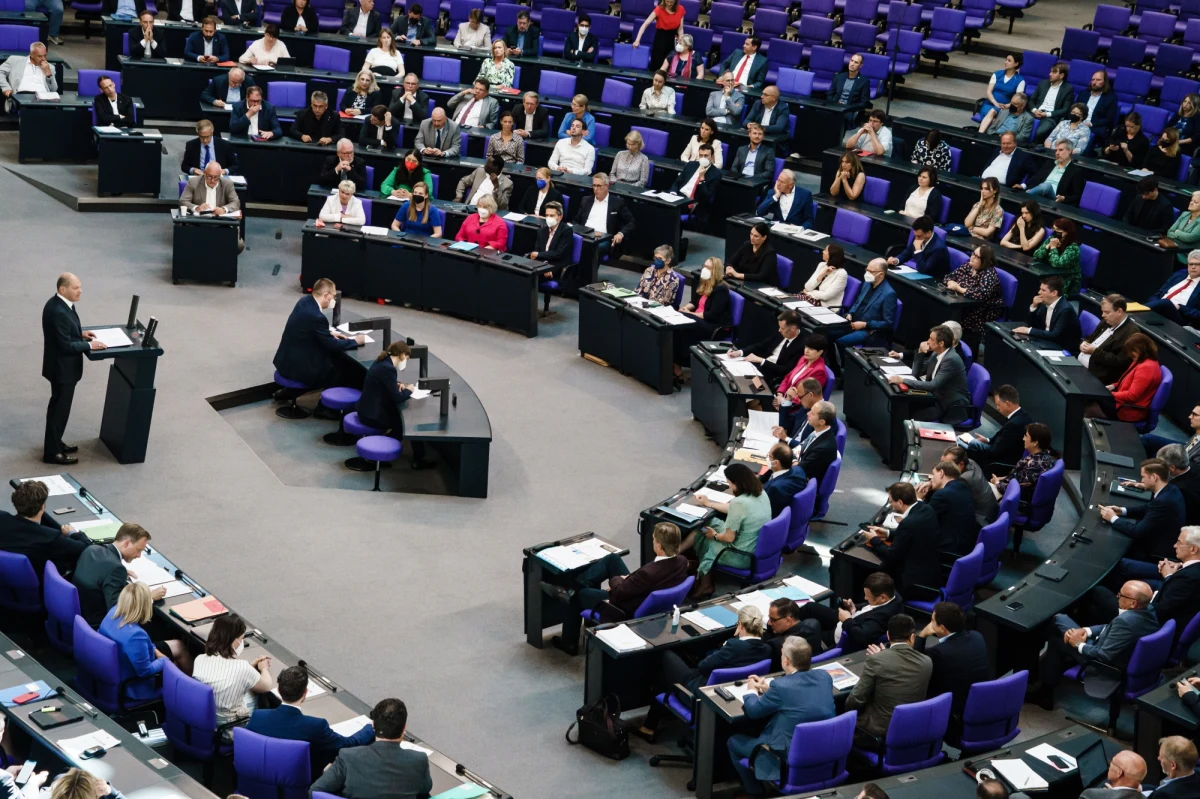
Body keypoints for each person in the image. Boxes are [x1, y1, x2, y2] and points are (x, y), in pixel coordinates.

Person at [551, 522, 689, 654]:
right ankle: (575, 586)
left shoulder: (648, 574)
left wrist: (617, 580)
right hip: (637, 591)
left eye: (653, 539)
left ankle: (569, 643)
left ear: (659, 545)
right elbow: (642, 581)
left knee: (578, 595)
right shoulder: (682, 561)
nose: (652, 541)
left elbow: (618, 593)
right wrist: (628, 580)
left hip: (622, 607)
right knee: (612, 559)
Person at [638, 605, 773, 739]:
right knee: (679, 662)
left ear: (741, 625)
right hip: (727, 696)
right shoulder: (767, 649)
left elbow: (702, 666)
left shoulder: (734, 646)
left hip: (697, 694)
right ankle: (651, 724)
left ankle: (650, 725)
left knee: (666, 656)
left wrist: (726, 645)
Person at [726, 637, 835, 796]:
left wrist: (751, 690)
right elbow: (800, 693)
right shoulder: (824, 677)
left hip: (784, 757)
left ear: (787, 661)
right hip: (823, 751)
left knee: (733, 742)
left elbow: (754, 711)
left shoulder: (781, 686)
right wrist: (770, 689)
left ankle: (756, 793)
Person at [1030, 581, 1157, 709]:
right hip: (1115, 650)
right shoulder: (1149, 610)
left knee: (1057, 637)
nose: (1117, 597)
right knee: (1061, 623)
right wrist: (1086, 630)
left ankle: (1042, 690)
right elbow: (1109, 627)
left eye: (1121, 596)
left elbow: (1103, 655)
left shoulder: (1125, 622)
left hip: (1103, 665)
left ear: (1133, 603)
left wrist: (1078, 644)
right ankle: (1045, 676)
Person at [248, 665, 375, 774]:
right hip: (302, 787)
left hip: (255, 781)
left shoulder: (258, 716)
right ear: (305, 693)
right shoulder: (315, 726)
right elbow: (347, 745)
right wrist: (371, 727)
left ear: (279, 691)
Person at [311, 698, 432, 799]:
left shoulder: (348, 756)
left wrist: (327, 773)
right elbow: (425, 789)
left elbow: (315, 792)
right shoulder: (419, 760)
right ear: (404, 727)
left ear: (373, 725)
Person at [683, 462, 772, 597]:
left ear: (738, 483)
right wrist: (709, 504)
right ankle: (681, 555)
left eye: (730, 483)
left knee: (706, 538)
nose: (729, 487)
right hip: (755, 547)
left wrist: (714, 536)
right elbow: (734, 510)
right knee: (707, 524)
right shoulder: (761, 492)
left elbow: (729, 538)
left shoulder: (739, 502)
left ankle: (705, 584)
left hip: (740, 554)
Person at [42, 273, 104, 465]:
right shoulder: (58, 311)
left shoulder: (61, 305)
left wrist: (80, 334)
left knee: (59, 409)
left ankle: (55, 442)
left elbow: (65, 333)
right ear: (63, 289)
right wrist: (89, 346)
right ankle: (52, 453)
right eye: (76, 288)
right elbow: (65, 345)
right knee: (59, 410)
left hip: (61, 368)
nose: (80, 291)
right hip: (62, 370)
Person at [845, 614, 932, 746]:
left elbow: (855, 700)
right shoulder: (927, 662)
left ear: (888, 635)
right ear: (912, 637)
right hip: (914, 728)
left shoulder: (876, 661)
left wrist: (881, 657)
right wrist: (883, 656)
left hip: (880, 732)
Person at [100, 582, 190, 703]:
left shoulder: (114, 611)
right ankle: (190, 694)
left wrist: (156, 651)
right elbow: (145, 672)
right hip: (134, 685)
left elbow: (145, 646)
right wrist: (164, 660)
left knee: (178, 645)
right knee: (175, 665)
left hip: (117, 665)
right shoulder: (136, 636)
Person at [272, 278, 363, 397]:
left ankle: (288, 393)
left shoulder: (304, 301)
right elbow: (332, 345)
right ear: (326, 295)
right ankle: (324, 408)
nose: (334, 299)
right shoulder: (317, 317)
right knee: (342, 368)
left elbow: (305, 329)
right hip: (300, 367)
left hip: (286, 361)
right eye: (334, 296)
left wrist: (328, 333)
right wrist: (355, 341)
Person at [355, 342, 431, 470]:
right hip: (372, 415)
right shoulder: (388, 369)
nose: (406, 361)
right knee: (406, 425)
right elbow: (397, 398)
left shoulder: (382, 361)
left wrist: (397, 384)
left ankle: (419, 458)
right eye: (406, 358)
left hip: (365, 408)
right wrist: (409, 390)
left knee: (401, 421)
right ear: (401, 355)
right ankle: (379, 453)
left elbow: (384, 381)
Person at [191, 614, 277, 724]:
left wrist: (250, 667)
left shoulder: (199, 659)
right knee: (255, 693)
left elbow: (223, 675)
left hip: (205, 720)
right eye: (241, 639)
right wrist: (264, 669)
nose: (242, 642)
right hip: (231, 728)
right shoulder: (242, 667)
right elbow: (266, 686)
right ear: (234, 641)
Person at [71, 522, 162, 624]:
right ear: (127, 543)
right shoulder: (116, 569)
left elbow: (97, 571)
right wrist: (149, 597)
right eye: (138, 550)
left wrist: (120, 573)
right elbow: (117, 610)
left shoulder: (92, 549)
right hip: (98, 624)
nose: (139, 555)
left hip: (81, 615)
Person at [793, 571, 903, 654]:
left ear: (883, 598)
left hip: (839, 633)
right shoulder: (893, 595)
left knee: (808, 630)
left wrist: (847, 620)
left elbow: (861, 636)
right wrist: (855, 608)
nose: (865, 598)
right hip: (850, 618)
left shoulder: (880, 618)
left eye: (868, 596)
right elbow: (870, 607)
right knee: (810, 607)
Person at [915, 601, 992, 718]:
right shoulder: (977, 636)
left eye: (932, 621)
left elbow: (917, 665)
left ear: (942, 628)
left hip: (954, 709)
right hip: (982, 699)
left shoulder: (939, 652)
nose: (930, 624)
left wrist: (922, 635)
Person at [862, 482, 942, 595]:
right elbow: (911, 534)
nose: (890, 505)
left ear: (900, 502)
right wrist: (888, 533)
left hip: (915, 583)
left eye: (891, 501)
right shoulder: (927, 509)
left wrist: (874, 539)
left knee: (876, 573)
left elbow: (891, 555)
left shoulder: (908, 523)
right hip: (932, 572)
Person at [1102, 457, 1185, 565]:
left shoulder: (1163, 501)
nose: (1141, 481)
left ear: (1154, 477)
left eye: (1143, 477)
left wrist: (1113, 518)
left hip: (1158, 552)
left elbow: (1138, 532)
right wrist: (1122, 511)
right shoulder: (1171, 489)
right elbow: (1148, 507)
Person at [0, 480, 89, 577]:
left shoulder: (2, 519)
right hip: (41, 586)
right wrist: (72, 533)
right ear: (43, 506)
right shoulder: (51, 537)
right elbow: (85, 548)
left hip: (6, 581)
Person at [886, 325, 971, 424]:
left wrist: (903, 380)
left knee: (908, 413)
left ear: (941, 343)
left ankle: (901, 438)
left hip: (949, 407)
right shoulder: (936, 353)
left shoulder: (951, 359)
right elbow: (916, 373)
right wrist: (920, 352)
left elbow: (933, 385)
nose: (927, 342)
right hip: (935, 397)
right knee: (904, 405)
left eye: (931, 339)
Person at [831, 259, 897, 380]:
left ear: (881, 274)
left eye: (871, 271)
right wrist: (850, 313)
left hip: (869, 330)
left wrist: (865, 324)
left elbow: (888, 323)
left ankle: (845, 374)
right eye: (867, 269)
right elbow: (857, 303)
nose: (867, 273)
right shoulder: (867, 284)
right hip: (852, 322)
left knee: (841, 341)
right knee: (827, 333)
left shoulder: (889, 294)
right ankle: (834, 369)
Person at [674, 258, 733, 381]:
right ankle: (675, 362)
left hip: (711, 325)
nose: (705, 269)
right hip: (699, 320)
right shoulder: (704, 283)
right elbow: (694, 302)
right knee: (678, 322)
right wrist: (686, 308)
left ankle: (678, 363)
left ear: (715, 271)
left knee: (683, 323)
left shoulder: (721, 289)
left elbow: (711, 315)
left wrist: (691, 314)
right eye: (704, 266)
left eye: (709, 267)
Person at [943, 245, 1004, 351]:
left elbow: (980, 294)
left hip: (981, 313)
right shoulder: (969, 266)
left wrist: (958, 288)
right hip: (963, 304)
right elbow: (948, 276)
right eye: (973, 254)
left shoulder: (989, 276)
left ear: (984, 261)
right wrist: (950, 282)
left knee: (952, 315)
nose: (972, 257)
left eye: (976, 256)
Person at [727, 309, 805, 389]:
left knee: (745, 388)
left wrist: (761, 360)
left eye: (782, 328)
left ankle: (753, 399)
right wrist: (740, 352)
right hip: (760, 366)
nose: (779, 330)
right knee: (730, 376)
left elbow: (785, 370)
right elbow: (762, 345)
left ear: (793, 328)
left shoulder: (801, 345)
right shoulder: (781, 333)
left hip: (772, 374)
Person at [920, 461, 981, 554]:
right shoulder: (962, 485)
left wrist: (918, 498)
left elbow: (922, 519)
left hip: (950, 550)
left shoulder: (942, 495)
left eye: (933, 475)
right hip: (966, 543)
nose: (931, 479)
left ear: (941, 473)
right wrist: (931, 486)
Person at [989, 423, 1058, 501]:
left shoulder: (1035, 466)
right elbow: (1017, 477)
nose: (1023, 439)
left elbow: (1016, 490)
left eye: (1026, 436)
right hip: (1008, 489)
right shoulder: (1043, 455)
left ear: (1035, 442)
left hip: (1011, 499)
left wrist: (997, 483)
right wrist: (1002, 479)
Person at [574, 173, 634, 258]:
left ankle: (586, 271)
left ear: (606, 186)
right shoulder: (586, 200)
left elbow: (631, 222)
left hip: (603, 239)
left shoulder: (617, 202)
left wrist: (620, 234)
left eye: (599, 186)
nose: (595, 189)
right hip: (584, 235)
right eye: (594, 185)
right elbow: (576, 220)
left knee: (591, 249)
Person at [1080, 294, 1136, 384]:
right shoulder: (1106, 321)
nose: (1103, 315)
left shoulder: (1131, 333)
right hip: (1082, 365)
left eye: (1107, 312)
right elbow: (1091, 337)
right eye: (1102, 312)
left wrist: (1095, 352)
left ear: (1119, 311)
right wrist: (1084, 343)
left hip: (1098, 377)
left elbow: (1120, 362)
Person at [941, 445, 998, 524]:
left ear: (960, 464)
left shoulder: (964, 479)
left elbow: (945, 494)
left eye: (947, 465)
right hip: (989, 511)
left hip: (981, 520)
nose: (942, 468)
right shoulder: (970, 462)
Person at [1020, 139, 1086, 204]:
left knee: (1047, 186)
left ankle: (1025, 196)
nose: (1057, 153)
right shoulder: (1049, 164)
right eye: (1056, 150)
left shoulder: (1076, 171)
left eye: (1060, 150)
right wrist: (1024, 186)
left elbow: (1077, 196)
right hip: (1040, 194)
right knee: (1044, 186)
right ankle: (1028, 195)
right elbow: (1036, 179)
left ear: (1069, 151)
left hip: (1054, 199)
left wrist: (1064, 198)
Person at [632, 0, 686, 79]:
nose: (669, 4)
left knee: (669, 66)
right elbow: (645, 24)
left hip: (672, 40)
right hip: (660, 39)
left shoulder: (680, 9)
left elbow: (680, 29)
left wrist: (681, 42)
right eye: (667, 1)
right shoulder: (659, 9)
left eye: (672, 2)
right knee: (657, 65)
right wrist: (637, 40)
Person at [671, 142, 722, 225]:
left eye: (706, 156)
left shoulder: (716, 174)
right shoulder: (691, 165)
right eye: (701, 155)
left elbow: (706, 196)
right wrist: (672, 192)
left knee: (672, 212)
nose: (703, 158)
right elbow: (677, 182)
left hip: (693, 202)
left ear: (712, 157)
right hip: (678, 197)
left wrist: (702, 179)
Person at [888, 215, 950, 279]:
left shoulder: (939, 249)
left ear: (928, 233)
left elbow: (924, 269)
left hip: (934, 280)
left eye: (919, 236)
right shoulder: (918, 236)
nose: (916, 238)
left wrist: (918, 250)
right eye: (915, 235)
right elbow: (907, 252)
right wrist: (896, 260)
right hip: (922, 274)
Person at [1148, 250, 1200, 326]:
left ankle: (1137, 310)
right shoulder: (1179, 274)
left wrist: (1180, 307)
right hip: (1159, 308)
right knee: (1163, 302)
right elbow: (1158, 293)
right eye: (1191, 264)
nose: (1193, 267)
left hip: (1180, 317)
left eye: (1197, 264)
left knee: (1166, 302)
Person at [771, 377, 824, 445]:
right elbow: (786, 422)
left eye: (800, 397)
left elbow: (809, 448)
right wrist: (788, 399)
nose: (798, 400)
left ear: (811, 395)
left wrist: (786, 438)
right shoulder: (806, 408)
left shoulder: (823, 418)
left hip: (796, 452)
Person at [978, 53, 1026, 127]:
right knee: (991, 114)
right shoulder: (997, 74)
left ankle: (980, 133)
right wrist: (995, 103)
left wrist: (1008, 105)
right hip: (990, 104)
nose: (1006, 62)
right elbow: (988, 92)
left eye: (1009, 61)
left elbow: (1018, 99)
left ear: (1016, 63)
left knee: (993, 114)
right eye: (1006, 60)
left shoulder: (1020, 80)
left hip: (1004, 108)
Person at [762, 443, 807, 517]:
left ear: (776, 463)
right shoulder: (798, 469)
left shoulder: (775, 488)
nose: (767, 458)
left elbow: (769, 513)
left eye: (769, 456)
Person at [1078, 70, 1119, 150]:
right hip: (1078, 122)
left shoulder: (1111, 98)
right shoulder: (1083, 93)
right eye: (1093, 80)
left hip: (1095, 126)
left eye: (1098, 80)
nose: (1094, 82)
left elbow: (1109, 119)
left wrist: (1091, 124)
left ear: (1104, 82)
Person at [763, 599, 808, 669]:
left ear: (788, 621)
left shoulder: (776, 645)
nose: (769, 623)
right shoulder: (813, 627)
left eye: (773, 620)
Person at [527, 201, 572, 270]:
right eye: (547, 215)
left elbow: (559, 254)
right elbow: (537, 250)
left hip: (556, 266)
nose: (548, 218)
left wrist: (539, 255)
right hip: (541, 265)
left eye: (552, 215)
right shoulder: (542, 231)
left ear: (560, 217)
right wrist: (542, 265)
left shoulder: (566, 231)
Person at [831, 52, 871, 127]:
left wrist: (847, 107)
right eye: (851, 61)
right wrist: (834, 103)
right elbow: (830, 94)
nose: (852, 64)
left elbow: (864, 102)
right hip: (835, 105)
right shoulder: (839, 77)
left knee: (841, 122)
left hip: (849, 109)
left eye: (856, 62)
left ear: (860, 65)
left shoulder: (864, 81)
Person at [1029, 61, 1073, 125]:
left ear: (1061, 75)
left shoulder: (1068, 89)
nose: (1050, 74)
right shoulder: (1043, 83)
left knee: (1038, 132)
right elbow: (1031, 100)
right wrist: (1035, 110)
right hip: (1036, 112)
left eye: (1054, 72)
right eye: (1051, 71)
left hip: (1050, 118)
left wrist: (1047, 114)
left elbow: (1065, 109)